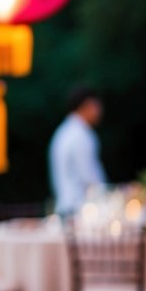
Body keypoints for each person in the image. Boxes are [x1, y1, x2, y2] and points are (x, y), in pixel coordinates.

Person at [48, 86, 106, 216]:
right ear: (86, 106)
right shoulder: (82, 135)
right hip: (79, 209)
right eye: (96, 106)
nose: (100, 111)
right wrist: (109, 196)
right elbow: (90, 177)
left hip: (65, 205)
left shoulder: (64, 131)